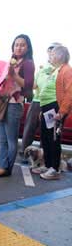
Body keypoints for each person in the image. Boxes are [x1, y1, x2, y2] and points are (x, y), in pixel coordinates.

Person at [0, 34, 35, 177]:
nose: (19, 47)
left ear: (28, 47)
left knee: (11, 140)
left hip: (14, 105)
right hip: (1, 102)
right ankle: (3, 166)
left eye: (22, 45)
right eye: (16, 44)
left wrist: (14, 76)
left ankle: (7, 168)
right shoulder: (11, 61)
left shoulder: (28, 63)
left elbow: (29, 87)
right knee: (1, 139)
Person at [35, 46, 72, 180]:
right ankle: (48, 165)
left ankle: (54, 169)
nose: (50, 57)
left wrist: (61, 112)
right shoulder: (57, 70)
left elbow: (70, 93)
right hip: (48, 108)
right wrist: (43, 110)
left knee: (53, 138)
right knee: (45, 137)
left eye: (52, 55)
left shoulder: (67, 70)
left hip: (56, 108)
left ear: (59, 56)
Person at [20, 42, 62, 160]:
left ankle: (45, 157)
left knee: (48, 131)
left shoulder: (62, 69)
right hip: (37, 101)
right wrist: (21, 80)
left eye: (54, 50)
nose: (51, 53)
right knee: (29, 128)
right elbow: (34, 85)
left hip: (52, 103)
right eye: (50, 50)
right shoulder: (42, 69)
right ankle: (25, 153)